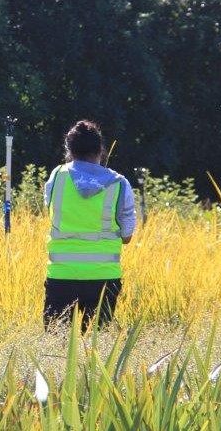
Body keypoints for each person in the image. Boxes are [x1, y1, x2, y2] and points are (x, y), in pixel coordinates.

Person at [44, 120, 137, 330]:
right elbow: (127, 235)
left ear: (69, 150)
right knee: (97, 350)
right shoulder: (119, 183)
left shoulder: (56, 177)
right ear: (100, 150)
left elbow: (51, 212)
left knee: (55, 347)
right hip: (103, 279)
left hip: (61, 276)